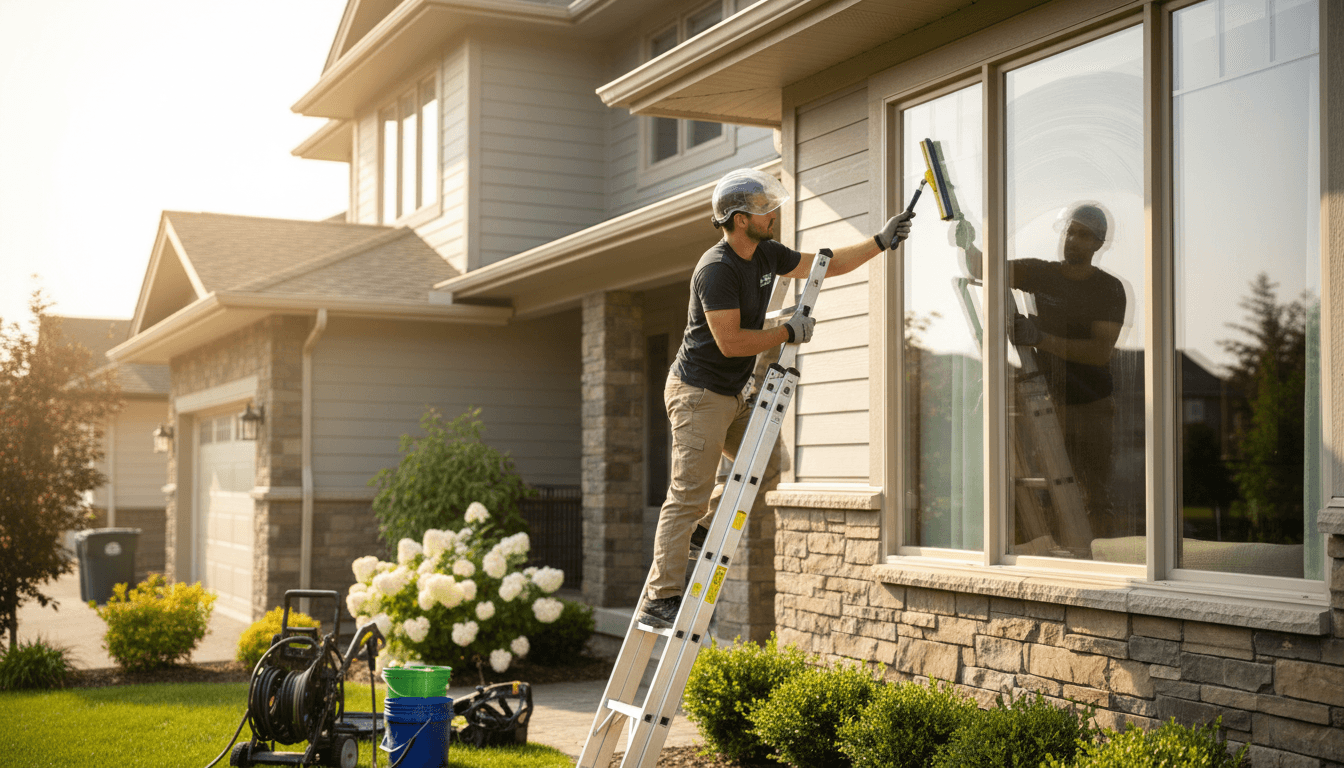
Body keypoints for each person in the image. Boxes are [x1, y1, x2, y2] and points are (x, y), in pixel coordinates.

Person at [639, 168, 914, 628]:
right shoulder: (717, 269)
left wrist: (880, 242)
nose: (773, 215)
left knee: (767, 461)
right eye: (764, 209)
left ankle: (704, 530)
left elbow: (825, 264)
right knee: (688, 496)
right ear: (740, 219)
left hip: (732, 394)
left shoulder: (766, 253)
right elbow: (730, 342)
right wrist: (787, 332)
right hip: (698, 395)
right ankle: (660, 597)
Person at [964, 202, 1125, 544]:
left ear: (1098, 244)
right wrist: (967, 241)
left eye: (1083, 235)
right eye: (1070, 231)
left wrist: (1041, 338)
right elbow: (983, 268)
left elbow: (1099, 352)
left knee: (1094, 495)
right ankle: (1058, 558)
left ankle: (1101, 561)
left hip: (1092, 404)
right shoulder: (1042, 274)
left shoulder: (1108, 289)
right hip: (1051, 402)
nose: (1073, 240)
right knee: (1052, 491)